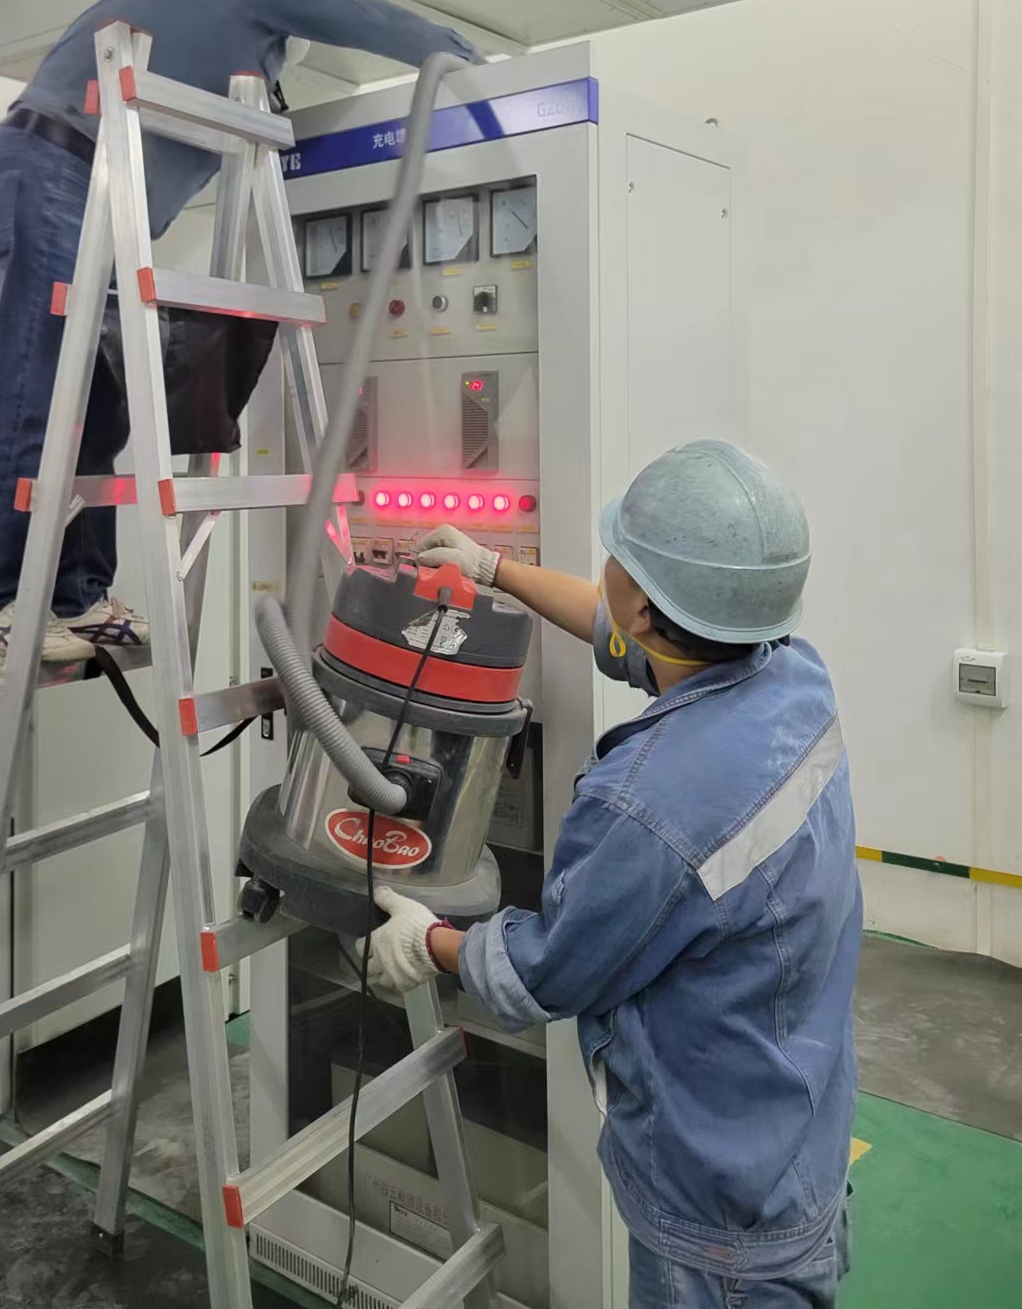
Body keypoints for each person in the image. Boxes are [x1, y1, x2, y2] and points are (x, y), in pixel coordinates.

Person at [369, 440, 861, 1308]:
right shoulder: (792, 676)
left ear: (645, 602)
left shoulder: (648, 806)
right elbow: (616, 628)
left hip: (716, 1214)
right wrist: (492, 568)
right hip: (791, 1127)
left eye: (618, 554)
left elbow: (551, 970)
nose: (608, 571)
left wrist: (428, 941)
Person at [0, 0, 478, 662]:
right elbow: (369, 18)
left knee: (96, 407)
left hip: (79, 188)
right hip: (58, 173)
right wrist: (465, 58)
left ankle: (77, 597)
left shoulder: (194, 5)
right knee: (36, 393)